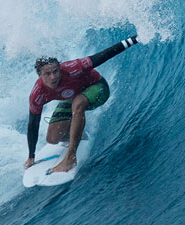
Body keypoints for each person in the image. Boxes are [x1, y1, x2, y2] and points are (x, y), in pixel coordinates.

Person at [24, 36, 139, 173]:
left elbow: (104, 55)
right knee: (53, 139)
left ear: (60, 68)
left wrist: (135, 39)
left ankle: (70, 158)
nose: (53, 77)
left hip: (97, 88)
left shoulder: (73, 68)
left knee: (78, 103)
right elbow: (33, 124)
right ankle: (78, 133)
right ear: (39, 76)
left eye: (55, 71)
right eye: (47, 74)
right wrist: (31, 156)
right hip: (72, 97)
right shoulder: (37, 94)